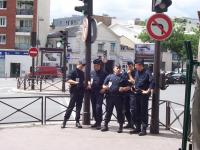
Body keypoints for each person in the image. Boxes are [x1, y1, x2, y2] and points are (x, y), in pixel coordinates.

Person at [101, 64, 130, 133]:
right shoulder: (109, 76)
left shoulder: (123, 77)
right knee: (108, 111)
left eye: (119, 68)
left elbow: (129, 87)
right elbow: (103, 85)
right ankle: (105, 125)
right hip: (110, 97)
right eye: (117, 68)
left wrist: (123, 88)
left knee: (119, 112)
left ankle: (120, 126)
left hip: (119, 97)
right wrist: (105, 87)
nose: (118, 69)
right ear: (114, 69)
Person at [129, 59, 154, 136]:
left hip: (143, 95)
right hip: (136, 94)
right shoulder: (137, 72)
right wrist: (133, 87)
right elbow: (136, 81)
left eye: (136, 65)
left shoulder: (147, 72)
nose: (135, 67)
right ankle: (137, 128)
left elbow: (152, 82)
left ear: (140, 65)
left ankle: (144, 129)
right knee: (136, 111)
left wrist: (148, 91)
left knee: (143, 112)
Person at [61, 60, 86, 129]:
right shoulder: (73, 71)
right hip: (74, 92)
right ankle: (65, 121)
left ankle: (77, 121)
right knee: (71, 106)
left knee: (79, 107)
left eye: (84, 66)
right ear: (79, 64)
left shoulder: (82, 73)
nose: (83, 67)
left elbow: (83, 81)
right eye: (82, 65)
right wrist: (76, 83)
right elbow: (68, 80)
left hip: (81, 92)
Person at [89, 58, 107, 130]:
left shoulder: (104, 73)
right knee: (94, 107)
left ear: (99, 66)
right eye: (94, 65)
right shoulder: (92, 72)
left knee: (98, 107)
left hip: (100, 92)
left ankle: (99, 123)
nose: (95, 67)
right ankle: (96, 121)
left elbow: (108, 83)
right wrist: (89, 83)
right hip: (92, 92)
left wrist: (104, 89)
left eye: (96, 65)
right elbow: (89, 80)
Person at [123, 61, 136, 129]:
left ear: (132, 66)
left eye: (130, 66)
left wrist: (130, 75)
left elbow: (134, 82)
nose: (128, 67)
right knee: (125, 109)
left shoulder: (135, 72)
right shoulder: (124, 73)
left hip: (132, 93)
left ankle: (134, 123)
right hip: (125, 93)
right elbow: (122, 81)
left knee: (133, 109)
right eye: (128, 66)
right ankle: (129, 122)